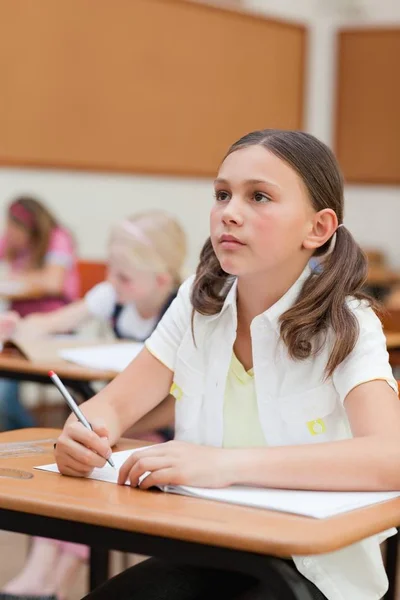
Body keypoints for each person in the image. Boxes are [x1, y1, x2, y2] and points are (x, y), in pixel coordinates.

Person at [54, 130, 399, 600]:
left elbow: (391, 457)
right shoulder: (200, 302)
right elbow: (113, 408)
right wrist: (84, 432)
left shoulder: (347, 323)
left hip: (312, 571)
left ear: (317, 228)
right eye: (222, 194)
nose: (229, 212)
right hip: (208, 547)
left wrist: (225, 465)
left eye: (259, 196)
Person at [0, 210, 187, 600]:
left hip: (159, 430)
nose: (111, 284)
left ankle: (49, 583)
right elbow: (56, 322)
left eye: (124, 278)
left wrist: (122, 426)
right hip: (113, 421)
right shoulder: (113, 294)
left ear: (161, 280)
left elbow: (177, 401)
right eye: (110, 272)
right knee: (68, 466)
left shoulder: (181, 310)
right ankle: (39, 576)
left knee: (96, 477)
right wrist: (17, 328)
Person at [0, 196, 79, 431]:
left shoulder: (57, 238)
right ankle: (19, 433)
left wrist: (14, 282)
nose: (10, 233)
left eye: (16, 227)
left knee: (3, 393)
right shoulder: (12, 240)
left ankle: (26, 433)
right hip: (17, 331)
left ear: (32, 229)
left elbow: (52, 282)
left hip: (54, 329)